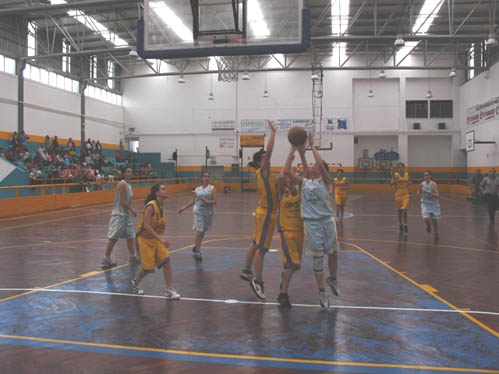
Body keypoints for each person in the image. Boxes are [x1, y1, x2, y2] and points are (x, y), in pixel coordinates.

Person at [284, 134, 340, 309]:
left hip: (327, 221)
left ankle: (333, 278)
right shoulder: (305, 182)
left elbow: (322, 168)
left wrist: (312, 146)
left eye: (316, 164)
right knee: (317, 259)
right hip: (311, 223)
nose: (314, 165)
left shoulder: (326, 182)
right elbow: (287, 171)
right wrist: (295, 151)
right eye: (314, 164)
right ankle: (322, 292)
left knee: (333, 253)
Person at [240, 121, 278, 301]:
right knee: (262, 249)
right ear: (260, 161)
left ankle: (247, 270)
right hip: (267, 213)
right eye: (264, 156)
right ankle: (258, 281)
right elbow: (269, 151)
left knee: (255, 243)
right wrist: (274, 133)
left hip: (262, 212)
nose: (268, 157)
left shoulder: (265, 172)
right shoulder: (263, 170)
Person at [131, 184, 181, 299]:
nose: (166, 190)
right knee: (148, 268)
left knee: (166, 261)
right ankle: (136, 281)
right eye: (163, 189)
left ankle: (169, 289)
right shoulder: (151, 206)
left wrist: (160, 238)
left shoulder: (162, 207)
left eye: (165, 188)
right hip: (143, 239)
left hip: (155, 239)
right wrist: (160, 238)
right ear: (157, 193)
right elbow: (146, 225)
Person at [276, 155, 306, 308]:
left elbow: (304, 177)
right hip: (286, 231)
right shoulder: (282, 191)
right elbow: (281, 176)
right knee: (291, 264)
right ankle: (283, 294)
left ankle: (284, 279)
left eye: (291, 175)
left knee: (296, 265)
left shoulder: (301, 190)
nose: (288, 177)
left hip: (300, 231)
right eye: (287, 175)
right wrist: (291, 153)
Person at [101, 166, 139, 269]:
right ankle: (106, 259)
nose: (130, 173)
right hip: (119, 214)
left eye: (131, 171)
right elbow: (122, 201)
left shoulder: (128, 185)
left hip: (125, 215)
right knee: (113, 237)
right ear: (123, 174)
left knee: (131, 235)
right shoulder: (122, 184)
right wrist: (132, 209)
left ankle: (132, 257)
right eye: (128, 171)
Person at [178, 171, 217, 263]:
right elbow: (193, 201)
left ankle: (196, 246)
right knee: (199, 232)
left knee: (202, 233)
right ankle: (198, 252)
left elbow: (215, 201)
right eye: (205, 176)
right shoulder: (197, 189)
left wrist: (206, 201)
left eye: (208, 176)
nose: (206, 178)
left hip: (208, 213)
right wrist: (184, 208)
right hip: (198, 211)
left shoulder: (212, 188)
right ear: (201, 178)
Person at [416, 170, 441, 241]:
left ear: (430, 176)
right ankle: (428, 225)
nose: (426, 176)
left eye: (427, 175)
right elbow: (419, 191)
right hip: (425, 203)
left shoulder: (434, 184)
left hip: (434, 204)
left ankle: (436, 233)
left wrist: (430, 193)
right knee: (426, 219)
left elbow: (437, 195)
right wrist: (417, 194)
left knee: (434, 220)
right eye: (425, 175)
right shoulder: (421, 184)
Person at [391, 162, 410, 234]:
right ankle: (400, 224)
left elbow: (408, 183)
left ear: (404, 168)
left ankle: (405, 225)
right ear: (398, 169)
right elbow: (391, 183)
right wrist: (394, 180)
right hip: (398, 195)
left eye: (402, 167)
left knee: (404, 210)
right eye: (399, 167)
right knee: (399, 211)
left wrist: (409, 183)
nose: (400, 168)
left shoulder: (407, 175)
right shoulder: (396, 175)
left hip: (406, 194)